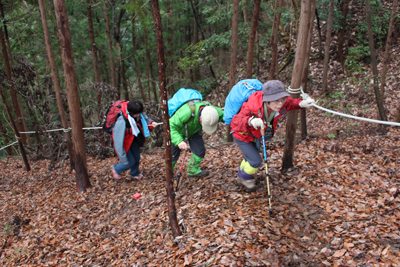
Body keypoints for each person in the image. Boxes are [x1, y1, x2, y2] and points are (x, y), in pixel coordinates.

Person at [230, 80, 315, 191]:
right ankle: (243, 178)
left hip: (255, 135)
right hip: (242, 135)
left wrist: (301, 103)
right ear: (267, 101)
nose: (280, 104)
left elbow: (290, 103)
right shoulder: (253, 105)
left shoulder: (281, 103)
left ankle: (243, 174)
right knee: (255, 160)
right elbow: (236, 121)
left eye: (281, 100)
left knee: (250, 157)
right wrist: (250, 121)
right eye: (276, 101)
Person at [170, 99, 224, 177]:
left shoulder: (212, 112)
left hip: (194, 131)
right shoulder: (186, 112)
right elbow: (170, 125)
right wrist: (179, 141)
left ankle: (192, 170)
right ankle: (168, 172)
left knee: (200, 151)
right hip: (177, 132)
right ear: (201, 118)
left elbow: (225, 116)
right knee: (173, 155)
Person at [111, 100, 158, 180]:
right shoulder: (121, 121)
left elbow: (145, 118)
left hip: (134, 139)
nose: (139, 115)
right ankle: (116, 168)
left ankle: (134, 173)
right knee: (129, 162)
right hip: (124, 143)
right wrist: (121, 154)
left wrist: (151, 122)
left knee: (136, 157)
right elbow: (118, 139)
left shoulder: (137, 113)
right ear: (131, 112)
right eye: (137, 114)